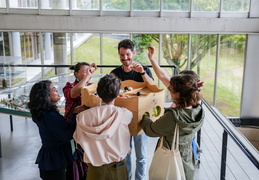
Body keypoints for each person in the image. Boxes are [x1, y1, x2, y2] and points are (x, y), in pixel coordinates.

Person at [140, 74, 205, 180]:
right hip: (188, 158)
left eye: (171, 90)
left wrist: (144, 116)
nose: (169, 92)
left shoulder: (173, 116)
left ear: (178, 94)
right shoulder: (198, 110)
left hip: (170, 159)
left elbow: (150, 130)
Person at [73, 74, 133, 180]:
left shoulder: (82, 117)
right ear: (117, 93)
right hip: (118, 168)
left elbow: (78, 140)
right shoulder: (125, 114)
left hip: (94, 170)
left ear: (98, 92)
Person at [110, 39, 154, 180]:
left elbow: (153, 87)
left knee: (141, 156)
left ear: (133, 53)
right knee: (125, 154)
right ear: (119, 54)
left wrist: (142, 73)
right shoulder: (114, 73)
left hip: (141, 120)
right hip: (122, 122)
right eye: (122, 55)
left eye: (128, 54)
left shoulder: (144, 70)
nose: (125, 58)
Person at [28, 80, 77, 180]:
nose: (57, 91)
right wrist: (75, 114)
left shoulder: (44, 112)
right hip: (55, 161)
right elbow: (67, 134)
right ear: (46, 96)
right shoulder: (49, 116)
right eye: (54, 89)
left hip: (53, 158)